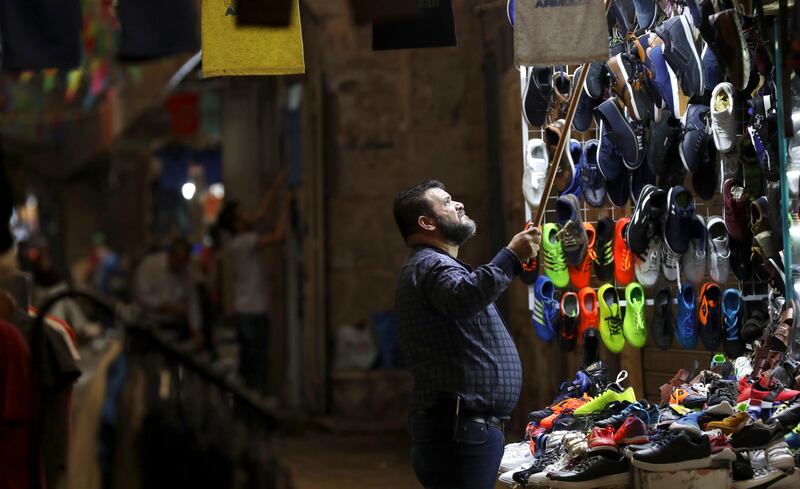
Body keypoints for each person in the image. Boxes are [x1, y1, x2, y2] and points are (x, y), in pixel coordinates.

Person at [392, 180, 541, 489]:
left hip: (462, 431)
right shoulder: (430, 265)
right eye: (447, 202)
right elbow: (465, 296)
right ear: (426, 222)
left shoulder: (431, 266)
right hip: (459, 432)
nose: (458, 204)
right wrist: (511, 257)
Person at [216, 169, 289, 393]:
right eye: (242, 213)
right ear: (238, 222)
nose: (249, 214)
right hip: (253, 311)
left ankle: (249, 404)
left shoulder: (238, 242)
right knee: (255, 362)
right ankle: (253, 404)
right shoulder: (244, 242)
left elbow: (259, 214)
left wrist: (277, 185)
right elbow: (278, 236)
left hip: (245, 310)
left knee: (250, 361)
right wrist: (287, 204)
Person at [133, 236, 202, 346]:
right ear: (171, 256)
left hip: (173, 324)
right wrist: (166, 306)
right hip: (149, 323)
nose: (181, 266)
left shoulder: (186, 273)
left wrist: (196, 330)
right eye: (179, 262)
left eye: (184, 263)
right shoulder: (150, 265)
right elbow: (142, 296)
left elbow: (192, 302)